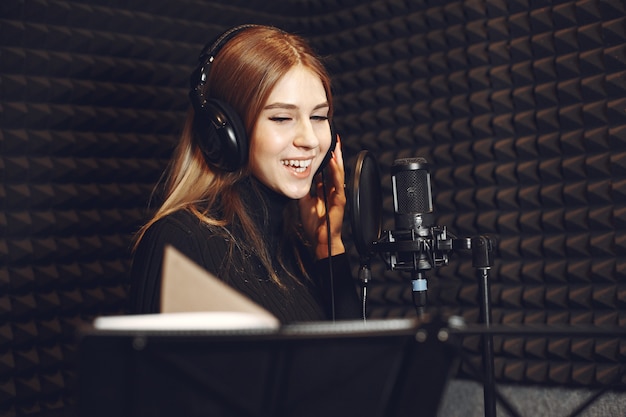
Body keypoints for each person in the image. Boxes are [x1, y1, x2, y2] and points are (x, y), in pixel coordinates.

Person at [129, 24, 362, 323]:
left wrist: (329, 249)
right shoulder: (179, 242)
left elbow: (354, 363)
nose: (310, 140)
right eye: (281, 117)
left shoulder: (300, 248)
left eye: (318, 116)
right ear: (226, 131)